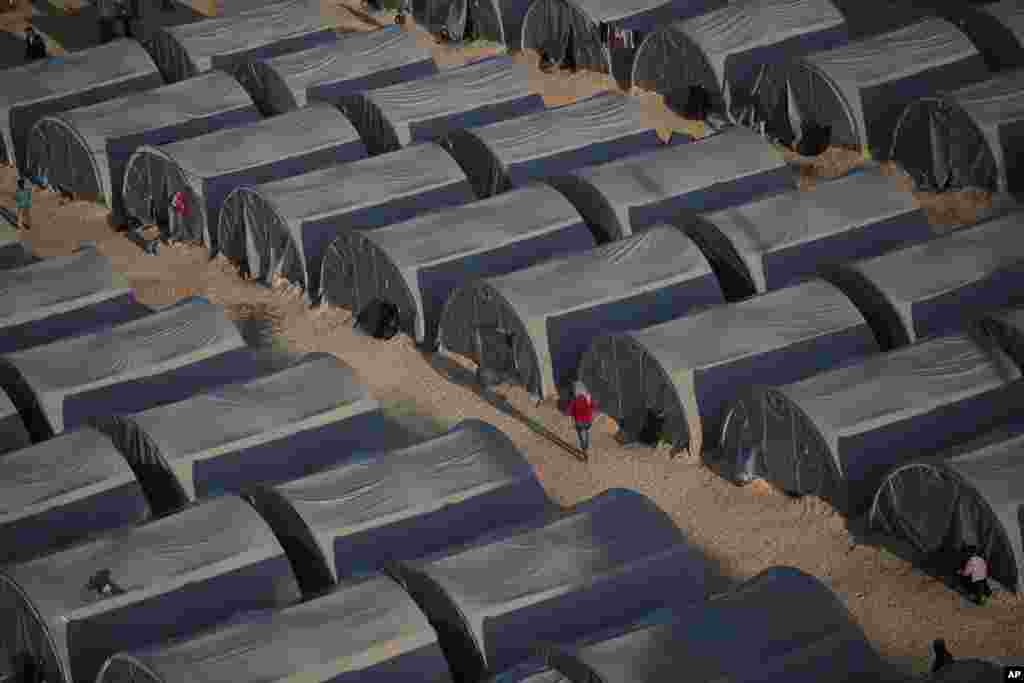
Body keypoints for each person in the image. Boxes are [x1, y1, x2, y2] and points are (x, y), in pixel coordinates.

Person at [568, 381, 596, 454]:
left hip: (578, 421)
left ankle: (583, 447)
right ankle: (586, 446)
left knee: (580, 433)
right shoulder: (588, 397)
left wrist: (572, 418)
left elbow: (570, 411)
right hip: (588, 420)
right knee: (587, 432)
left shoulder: (574, 399)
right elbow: (593, 406)